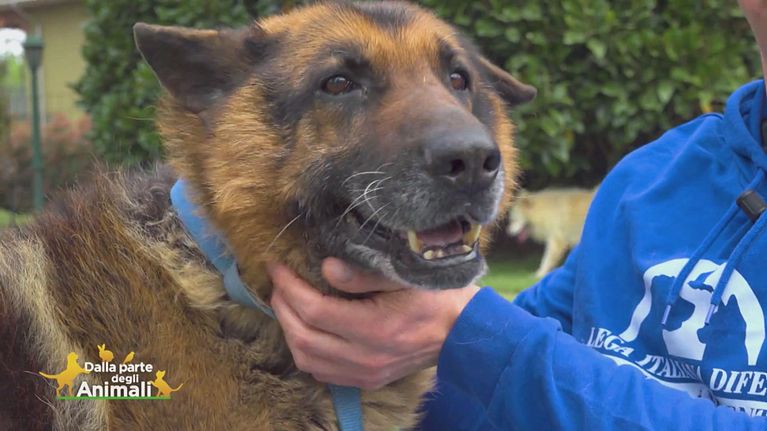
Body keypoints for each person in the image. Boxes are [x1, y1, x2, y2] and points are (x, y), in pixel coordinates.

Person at [268, 1, 767, 428]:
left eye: (457, 81)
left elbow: (505, 353)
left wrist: (471, 336)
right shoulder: (650, 179)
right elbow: (505, 376)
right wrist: (385, 343)